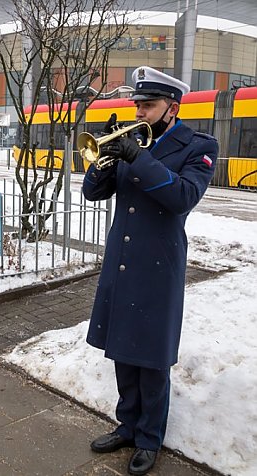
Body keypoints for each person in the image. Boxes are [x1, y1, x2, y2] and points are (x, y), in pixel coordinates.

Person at [82, 66, 218, 475]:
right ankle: (127, 425)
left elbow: (182, 197)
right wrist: (104, 161)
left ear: (171, 108)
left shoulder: (198, 146)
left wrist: (137, 158)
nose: (139, 111)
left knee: (153, 360)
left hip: (159, 265)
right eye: (137, 104)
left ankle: (149, 438)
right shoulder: (131, 140)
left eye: (149, 105)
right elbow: (93, 192)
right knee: (124, 351)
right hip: (123, 264)